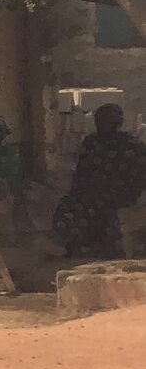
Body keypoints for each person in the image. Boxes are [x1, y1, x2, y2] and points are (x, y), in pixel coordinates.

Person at [51, 102, 146, 259]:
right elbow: (81, 172)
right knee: (67, 205)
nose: (101, 124)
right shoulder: (91, 142)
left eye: (106, 120)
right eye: (99, 120)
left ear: (118, 123)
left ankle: (97, 245)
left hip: (120, 195)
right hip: (89, 191)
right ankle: (73, 247)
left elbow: (141, 177)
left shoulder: (133, 146)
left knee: (93, 208)